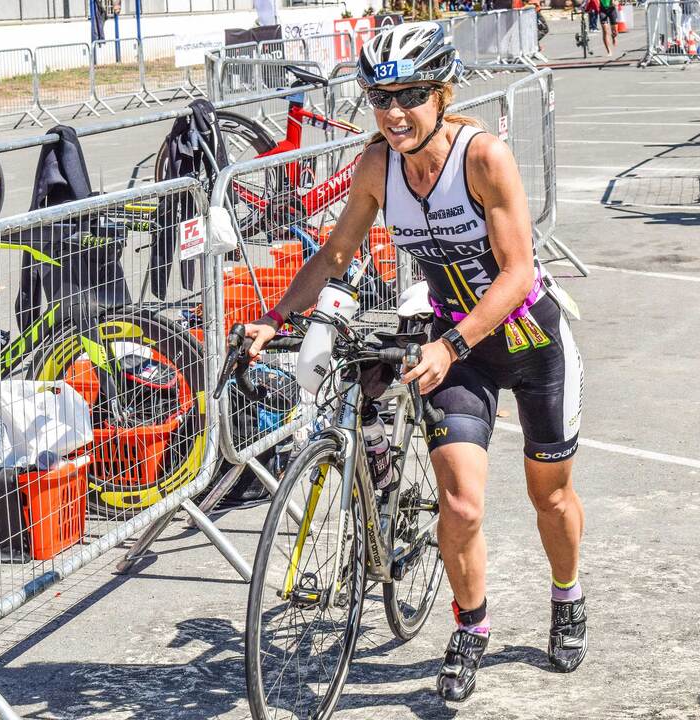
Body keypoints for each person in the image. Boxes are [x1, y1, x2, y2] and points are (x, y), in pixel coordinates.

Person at [242, 21, 587, 702]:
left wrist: (451, 342)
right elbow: (336, 253)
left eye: (410, 96)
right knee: (459, 504)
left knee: (550, 497)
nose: (395, 113)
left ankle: (566, 595)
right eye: (380, 98)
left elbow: (518, 274)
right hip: (459, 355)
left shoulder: (483, 157)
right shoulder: (378, 165)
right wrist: (275, 316)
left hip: (530, 343)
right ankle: (472, 626)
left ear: (441, 91)